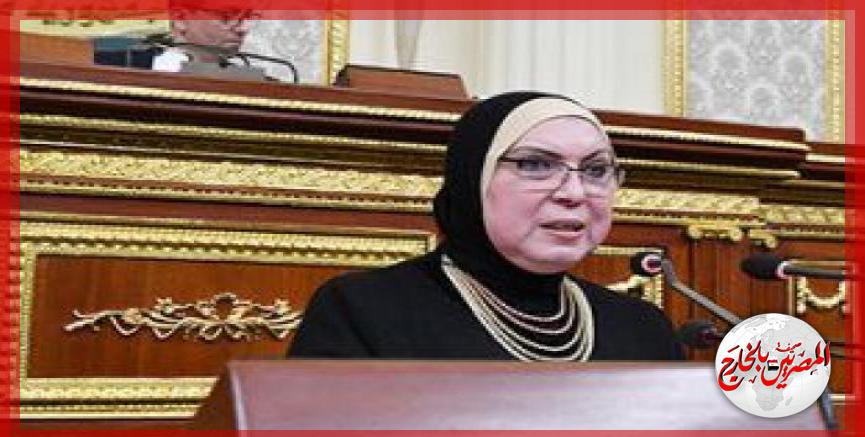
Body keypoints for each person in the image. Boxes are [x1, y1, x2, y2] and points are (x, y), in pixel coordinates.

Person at [288, 91, 683, 361]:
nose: (574, 193)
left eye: (596, 170)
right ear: (472, 179)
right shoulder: (364, 310)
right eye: (536, 165)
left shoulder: (642, 328)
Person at [151, 10, 257, 72]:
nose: (243, 29)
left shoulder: (251, 84)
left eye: (246, 18)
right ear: (181, 19)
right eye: (227, 17)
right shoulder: (146, 72)